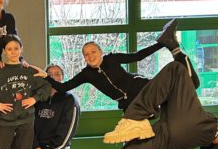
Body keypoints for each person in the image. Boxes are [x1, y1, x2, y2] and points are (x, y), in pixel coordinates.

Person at [43, 20, 200, 114]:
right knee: (133, 130)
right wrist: (45, 77)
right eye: (86, 54)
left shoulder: (111, 59)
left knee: (193, 84)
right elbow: (63, 87)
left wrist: (161, 44)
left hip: (144, 87)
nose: (90, 56)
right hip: (130, 104)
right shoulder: (86, 74)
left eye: (93, 52)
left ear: (101, 52)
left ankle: (175, 49)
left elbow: (138, 56)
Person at [32, 64, 83, 149]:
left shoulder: (70, 100)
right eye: (49, 74)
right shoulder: (38, 98)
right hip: (38, 143)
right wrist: (34, 146)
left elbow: (67, 131)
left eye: (57, 74)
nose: (53, 77)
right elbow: (29, 123)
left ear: (62, 77)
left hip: (56, 146)